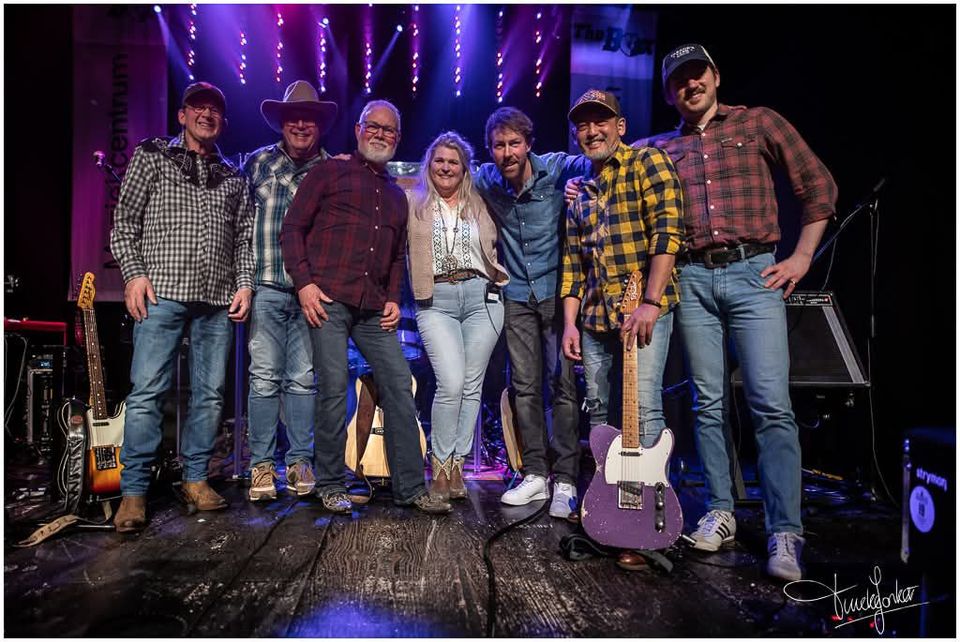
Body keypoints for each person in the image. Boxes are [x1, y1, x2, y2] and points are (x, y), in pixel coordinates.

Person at [640, 44, 838, 581]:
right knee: (707, 403)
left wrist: (802, 257)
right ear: (669, 93)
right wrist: (577, 181)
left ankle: (785, 530)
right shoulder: (662, 148)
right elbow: (611, 160)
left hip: (754, 274)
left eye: (697, 74)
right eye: (679, 80)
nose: (691, 85)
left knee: (770, 403)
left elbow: (819, 186)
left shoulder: (759, 122)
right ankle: (721, 511)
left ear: (716, 76)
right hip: (693, 278)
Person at [281, 99, 451, 515]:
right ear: (358, 130)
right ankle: (331, 483)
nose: (379, 134)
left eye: (388, 130)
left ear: (397, 138)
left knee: (399, 383)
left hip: (373, 308)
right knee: (334, 385)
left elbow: (395, 256)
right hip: (328, 299)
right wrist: (304, 284)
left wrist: (392, 296)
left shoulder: (395, 196)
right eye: (372, 126)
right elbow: (293, 228)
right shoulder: (328, 173)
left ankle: (410, 488)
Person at [109, 81, 254, 532]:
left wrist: (245, 285)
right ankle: (133, 492)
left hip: (216, 299)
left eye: (215, 110)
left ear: (222, 120)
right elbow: (124, 222)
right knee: (147, 392)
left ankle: (195, 479)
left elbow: (244, 238)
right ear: (182, 115)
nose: (207, 115)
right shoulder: (152, 156)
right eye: (198, 107)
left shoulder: (233, 175)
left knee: (209, 395)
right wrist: (134, 274)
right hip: (162, 292)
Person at [474, 107, 590, 518]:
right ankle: (536, 473)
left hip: (559, 295)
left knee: (564, 387)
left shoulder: (557, 169)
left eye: (514, 143)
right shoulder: (487, 179)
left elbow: (603, 157)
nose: (507, 152)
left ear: (528, 144)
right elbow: (439, 173)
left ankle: (566, 479)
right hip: (518, 297)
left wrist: (584, 186)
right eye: (499, 145)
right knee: (524, 388)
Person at [560, 88, 683, 447]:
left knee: (642, 407)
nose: (591, 131)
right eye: (583, 125)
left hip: (642, 309)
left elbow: (667, 232)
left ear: (621, 126)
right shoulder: (579, 194)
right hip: (594, 318)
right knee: (598, 411)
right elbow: (573, 266)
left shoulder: (647, 162)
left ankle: (648, 483)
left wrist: (651, 302)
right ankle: (605, 482)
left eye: (601, 121)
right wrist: (570, 324)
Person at [243, 81, 338, 502]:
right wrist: (243, 282)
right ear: (282, 123)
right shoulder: (257, 164)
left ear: (320, 125)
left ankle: (300, 461)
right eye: (293, 118)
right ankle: (262, 465)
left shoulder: (332, 170)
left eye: (309, 119)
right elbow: (240, 226)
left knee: (302, 379)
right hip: (266, 285)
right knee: (264, 378)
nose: (301, 125)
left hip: (311, 293)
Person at [407, 131, 509, 501]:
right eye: (440, 160)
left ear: (465, 168)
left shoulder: (482, 200)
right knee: (450, 383)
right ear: (429, 164)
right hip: (437, 300)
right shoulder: (412, 201)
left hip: (483, 298)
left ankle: (456, 465)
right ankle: (439, 463)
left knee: (471, 386)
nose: (446, 167)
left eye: (454, 162)